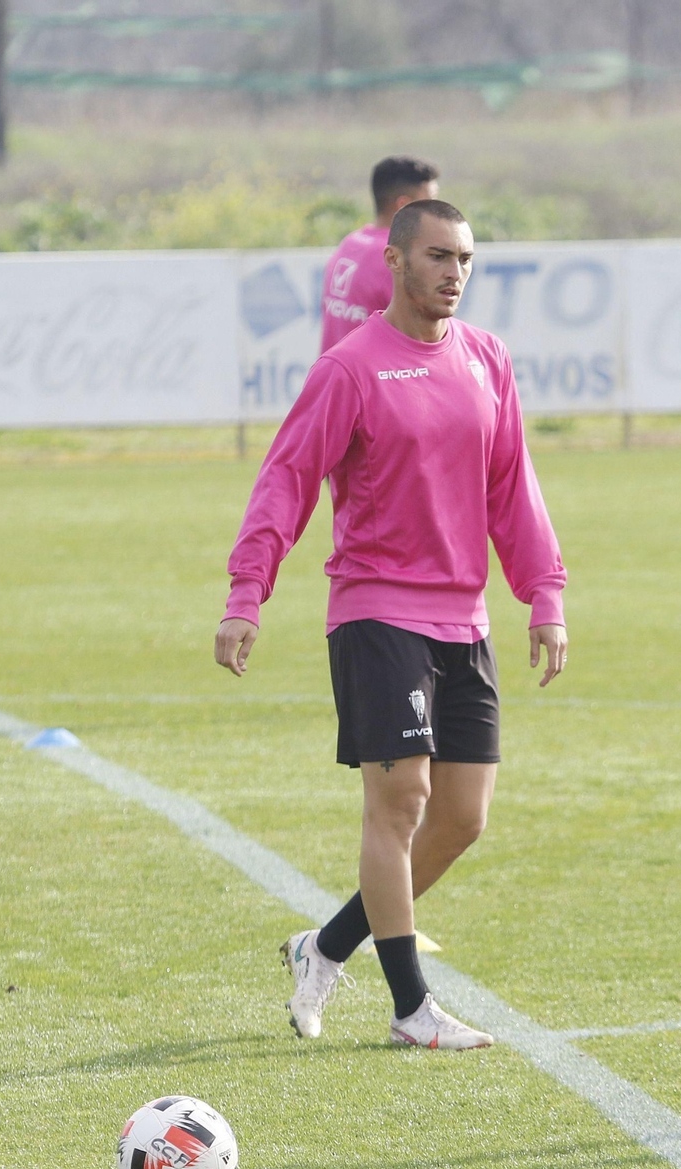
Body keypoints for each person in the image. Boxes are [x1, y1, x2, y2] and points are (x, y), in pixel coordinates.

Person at [216, 198, 568, 1050]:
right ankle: (413, 1007)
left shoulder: (487, 357)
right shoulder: (351, 368)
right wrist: (246, 591)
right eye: (440, 256)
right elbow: (287, 479)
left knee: (462, 817)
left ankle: (326, 945)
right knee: (401, 798)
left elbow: (511, 486)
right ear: (396, 263)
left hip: (464, 616)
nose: (455, 273)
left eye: (467, 259)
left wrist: (544, 594)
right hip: (376, 608)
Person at [320, 155, 440, 351]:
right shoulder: (398, 258)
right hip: (375, 379)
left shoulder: (350, 243)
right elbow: (427, 345)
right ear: (403, 205)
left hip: (337, 376)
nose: (437, 210)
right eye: (431, 200)